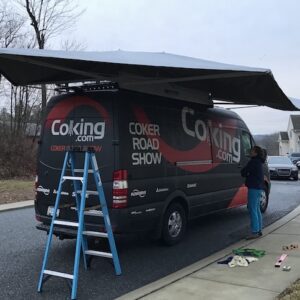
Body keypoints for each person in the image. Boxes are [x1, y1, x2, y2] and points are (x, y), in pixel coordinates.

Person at [241, 146, 265, 240]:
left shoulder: (253, 161)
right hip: (258, 187)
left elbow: (243, 172)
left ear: (255, 152)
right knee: (257, 208)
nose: (250, 152)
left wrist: (246, 173)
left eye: (252, 151)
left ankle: (255, 231)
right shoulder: (259, 162)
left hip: (253, 187)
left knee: (252, 209)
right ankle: (259, 229)